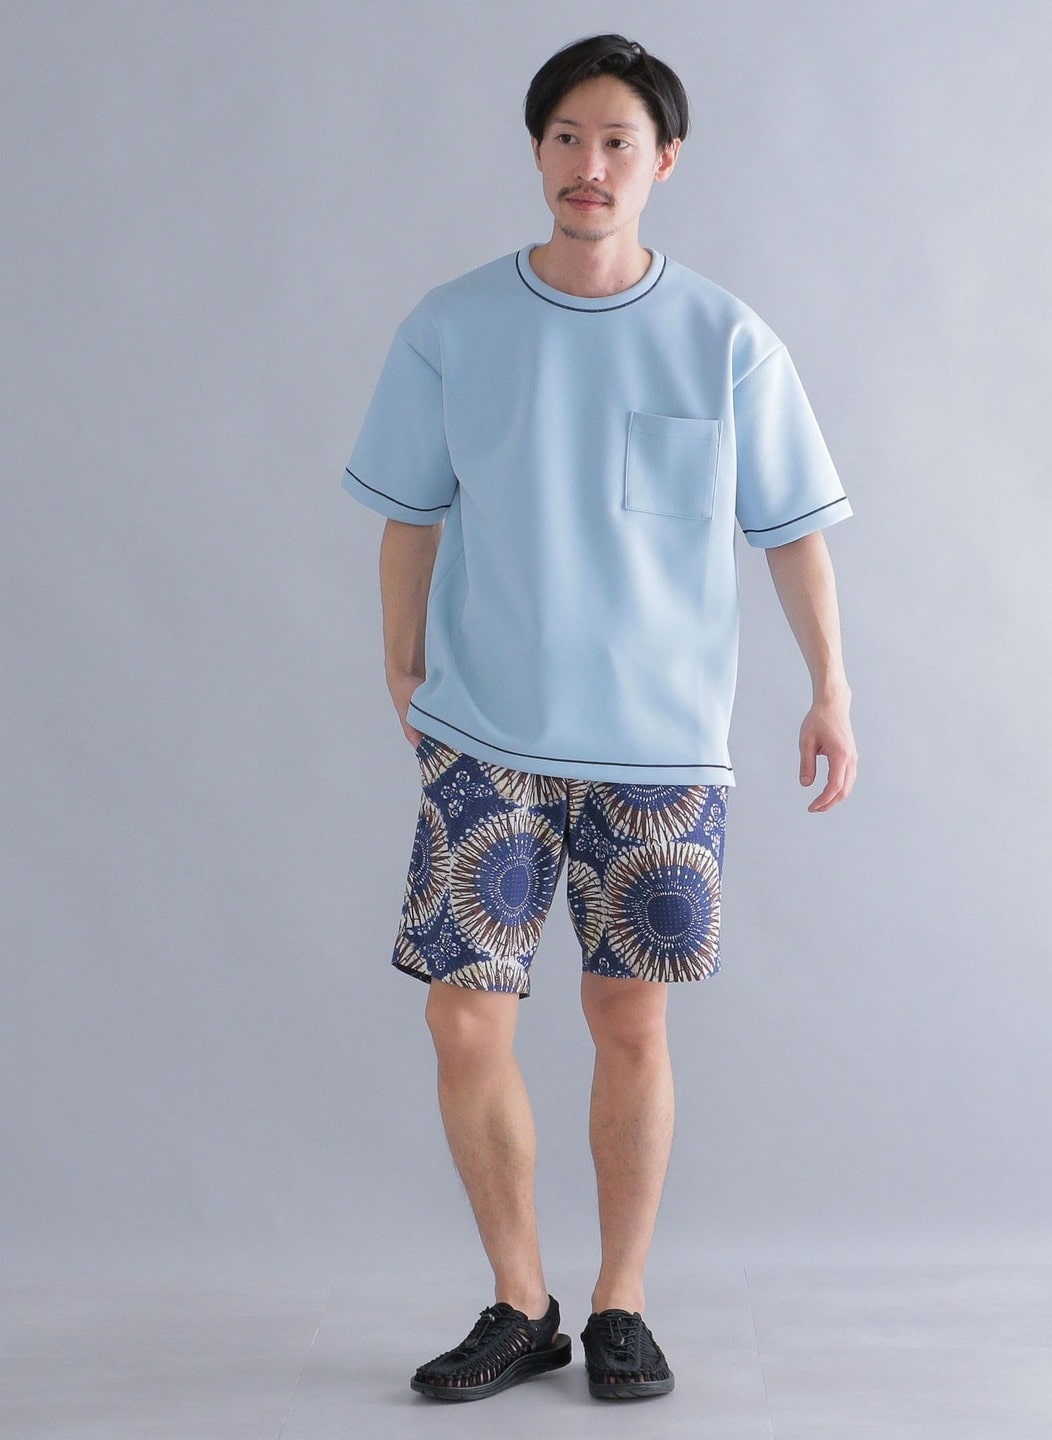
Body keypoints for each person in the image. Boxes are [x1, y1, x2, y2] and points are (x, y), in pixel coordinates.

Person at [340, 32, 857, 1404]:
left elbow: (792, 531)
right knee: (465, 1022)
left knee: (631, 1019)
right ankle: (521, 1303)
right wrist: (400, 663)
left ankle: (622, 1303)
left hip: (660, 747)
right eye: (567, 136)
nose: (590, 163)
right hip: (487, 736)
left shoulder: (726, 338)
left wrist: (831, 687)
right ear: (536, 152)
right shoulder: (453, 326)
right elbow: (409, 511)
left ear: (664, 161)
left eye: (619, 140)